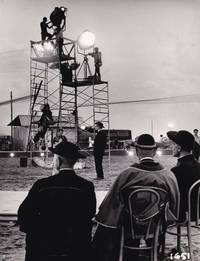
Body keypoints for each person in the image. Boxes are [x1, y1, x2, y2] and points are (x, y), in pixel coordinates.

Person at [93, 134, 180, 261]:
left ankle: (127, 252)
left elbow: (110, 203)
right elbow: (174, 202)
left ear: (137, 151)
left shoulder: (127, 174)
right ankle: (154, 249)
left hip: (129, 225)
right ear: (155, 151)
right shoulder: (168, 175)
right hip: (156, 225)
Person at [18, 140, 96, 261]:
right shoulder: (86, 186)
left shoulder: (41, 185)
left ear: (59, 160)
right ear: (75, 161)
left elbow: (24, 214)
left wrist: (39, 232)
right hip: (76, 248)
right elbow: (89, 214)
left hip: (44, 248)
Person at [167, 130, 200, 222]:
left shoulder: (176, 171)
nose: (171, 147)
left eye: (173, 145)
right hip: (197, 212)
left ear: (178, 148)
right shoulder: (198, 166)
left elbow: (174, 198)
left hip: (183, 214)